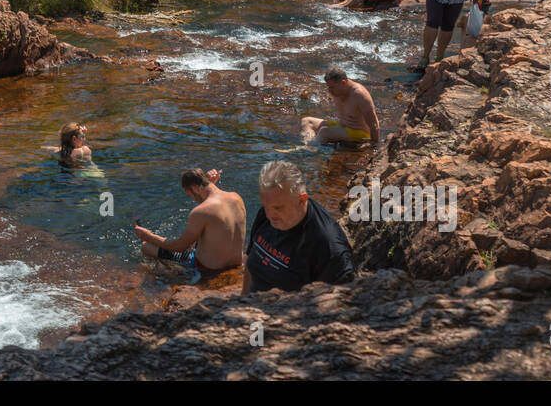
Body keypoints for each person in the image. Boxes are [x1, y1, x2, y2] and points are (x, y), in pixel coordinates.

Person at [243, 160, 355, 294]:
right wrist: (242, 300)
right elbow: (250, 262)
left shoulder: (328, 246)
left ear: (302, 200)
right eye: (266, 206)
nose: (269, 215)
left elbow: (337, 303)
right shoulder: (267, 213)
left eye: (278, 208)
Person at [134, 168, 247, 274]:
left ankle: (166, 274)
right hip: (236, 263)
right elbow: (215, 214)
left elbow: (179, 246)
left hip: (208, 268)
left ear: (195, 188)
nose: (193, 199)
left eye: (190, 195)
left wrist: (148, 236)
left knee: (146, 246)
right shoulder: (236, 197)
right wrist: (209, 184)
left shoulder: (200, 212)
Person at [299, 66, 380, 144]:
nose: (329, 91)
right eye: (328, 86)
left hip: (360, 133)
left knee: (324, 132)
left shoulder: (359, 94)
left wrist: (373, 143)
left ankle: (309, 150)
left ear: (343, 82)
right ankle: (307, 145)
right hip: (343, 127)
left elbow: (374, 124)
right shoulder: (337, 91)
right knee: (307, 121)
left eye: (332, 87)